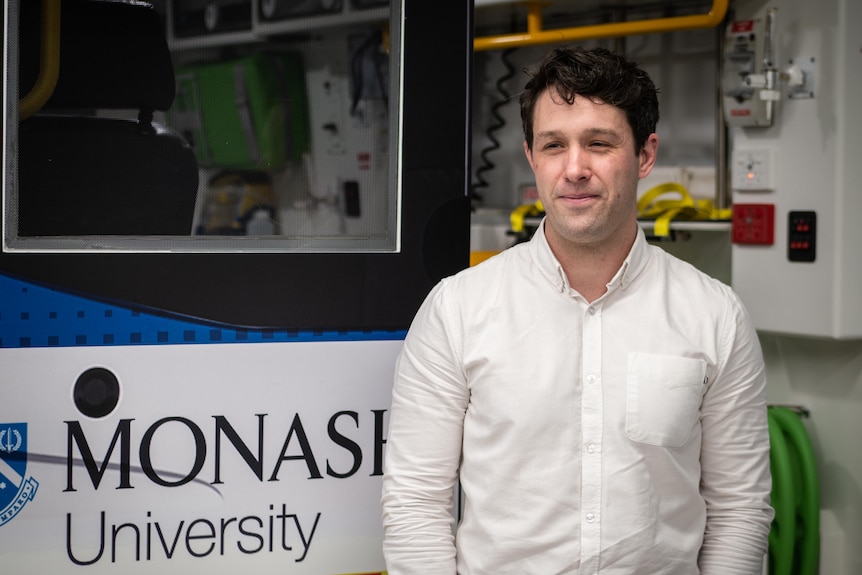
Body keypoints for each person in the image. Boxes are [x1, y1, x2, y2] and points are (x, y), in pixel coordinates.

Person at [381, 46, 773, 574]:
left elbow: (739, 510)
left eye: (599, 143)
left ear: (645, 154)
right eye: (554, 145)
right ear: (531, 157)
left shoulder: (715, 315)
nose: (574, 169)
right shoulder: (458, 310)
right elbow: (414, 504)